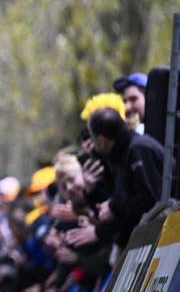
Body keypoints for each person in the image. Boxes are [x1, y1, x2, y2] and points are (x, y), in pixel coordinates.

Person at [66, 106, 164, 251]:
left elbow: (149, 201)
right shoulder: (122, 155)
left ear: (101, 140)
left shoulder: (138, 149)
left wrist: (112, 208)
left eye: (93, 141)